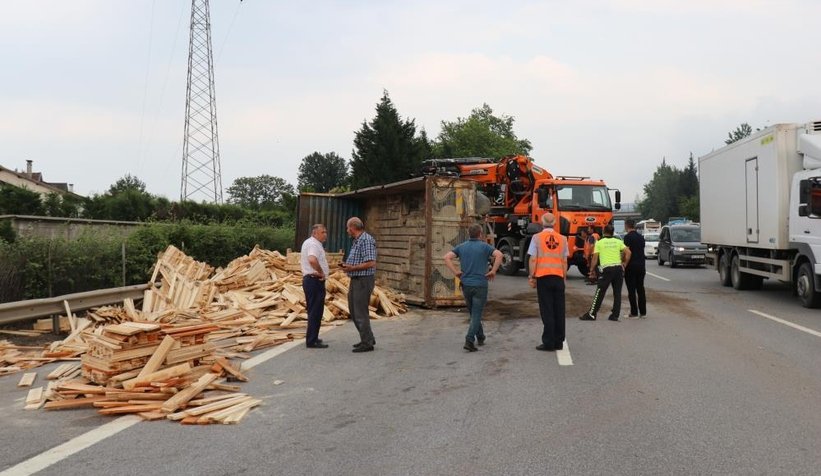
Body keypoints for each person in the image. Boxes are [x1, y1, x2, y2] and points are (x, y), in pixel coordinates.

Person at [443, 223, 503, 352]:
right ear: (480, 234)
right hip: (480, 285)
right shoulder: (485, 247)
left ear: (468, 234)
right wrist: (493, 271)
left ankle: (480, 337)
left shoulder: (461, 247)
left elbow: (446, 257)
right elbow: (499, 255)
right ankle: (469, 340)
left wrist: (456, 272)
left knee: (473, 312)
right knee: (476, 313)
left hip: (466, 285)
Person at [527, 213, 568, 352]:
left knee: (547, 310)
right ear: (555, 222)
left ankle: (548, 342)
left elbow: (533, 259)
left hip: (543, 278)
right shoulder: (563, 239)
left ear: (541, 222)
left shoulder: (536, 238)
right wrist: (564, 278)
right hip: (558, 277)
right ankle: (559, 341)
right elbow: (564, 261)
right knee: (559, 310)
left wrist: (532, 276)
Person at [580, 224, 631, 321]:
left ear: (604, 232)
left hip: (606, 269)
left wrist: (591, 270)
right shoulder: (618, 241)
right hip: (618, 269)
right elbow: (628, 252)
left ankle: (592, 314)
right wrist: (624, 264)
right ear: (612, 232)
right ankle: (615, 315)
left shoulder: (599, 243)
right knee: (617, 293)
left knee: (600, 292)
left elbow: (595, 258)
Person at [341, 217, 377, 353]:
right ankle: (368, 337)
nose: (347, 230)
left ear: (352, 227)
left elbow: (371, 262)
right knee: (354, 309)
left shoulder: (366, 240)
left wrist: (352, 268)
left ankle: (367, 343)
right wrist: (348, 266)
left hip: (363, 279)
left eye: (347, 228)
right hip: (356, 278)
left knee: (360, 311)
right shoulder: (357, 240)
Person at [300, 224, 330, 348]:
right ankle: (311, 341)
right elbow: (312, 260)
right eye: (323, 232)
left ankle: (314, 338)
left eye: (325, 232)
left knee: (317, 311)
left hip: (313, 280)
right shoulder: (313, 244)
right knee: (314, 311)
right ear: (315, 233)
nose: (325, 234)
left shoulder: (313, 243)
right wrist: (321, 272)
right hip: (314, 281)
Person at [622, 219, 647, 318]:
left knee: (631, 290)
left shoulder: (627, 237)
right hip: (641, 266)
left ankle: (634, 312)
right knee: (640, 289)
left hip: (631, 266)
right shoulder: (641, 237)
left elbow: (626, 252)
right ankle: (643, 312)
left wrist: (624, 263)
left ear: (626, 226)